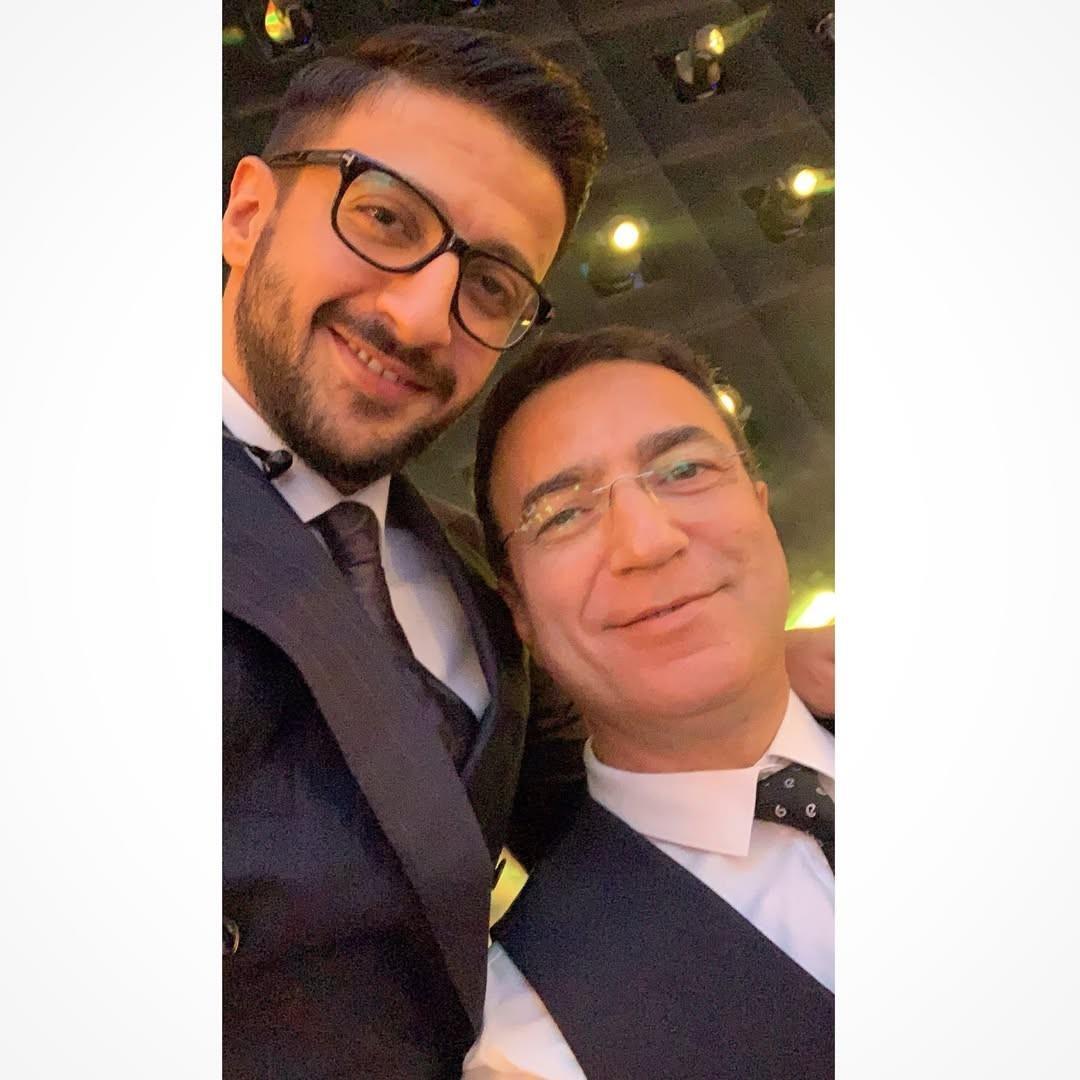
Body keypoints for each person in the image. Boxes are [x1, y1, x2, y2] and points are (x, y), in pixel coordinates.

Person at [221, 24, 833, 1080]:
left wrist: (756, 660)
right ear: (246, 214)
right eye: (384, 217)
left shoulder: (463, 575)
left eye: (492, 283)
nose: (423, 315)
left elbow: (628, 774)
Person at [463, 326, 835, 1080]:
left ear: (761, 507)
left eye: (685, 469)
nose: (648, 541)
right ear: (519, 611)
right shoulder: (531, 1039)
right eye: (562, 514)